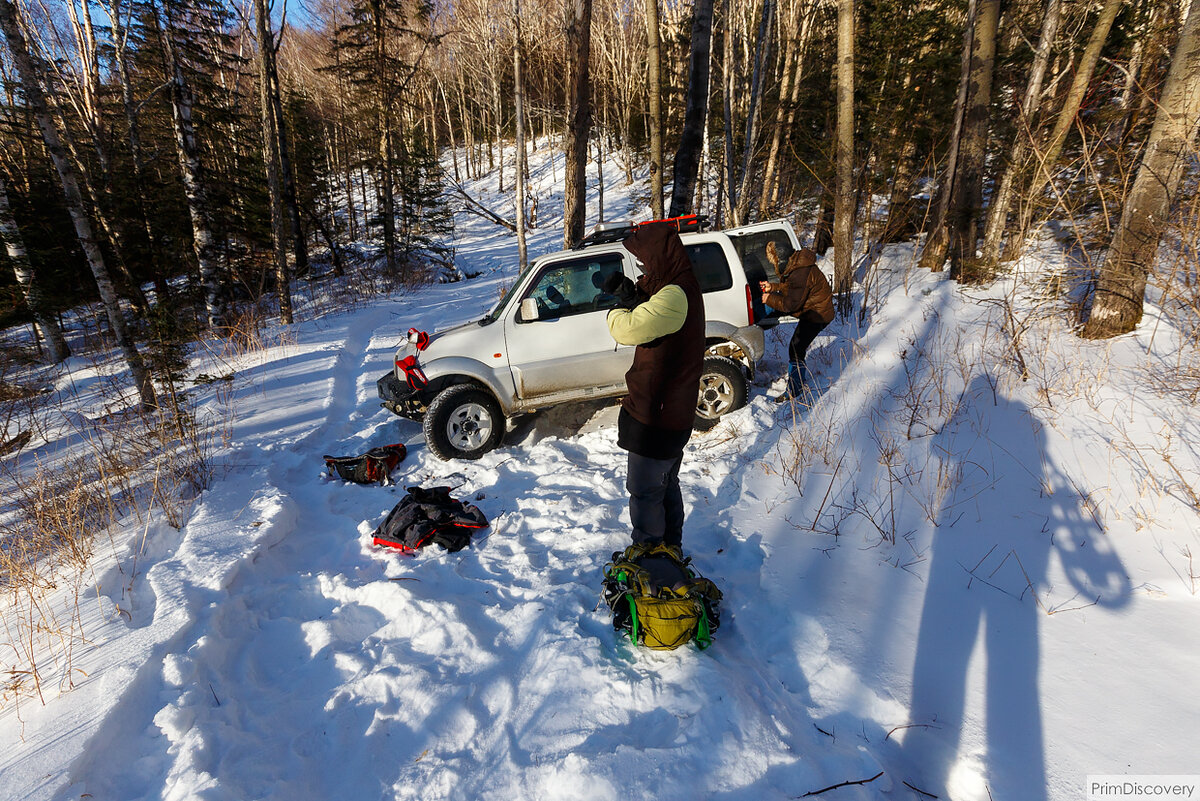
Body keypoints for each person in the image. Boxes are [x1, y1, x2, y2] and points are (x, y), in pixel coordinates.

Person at [604, 223, 705, 552]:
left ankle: (650, 552)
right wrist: (634, 296)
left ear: (662, 256)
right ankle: (670, 550)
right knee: (665, 485)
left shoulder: (676, 294)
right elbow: (654, 315)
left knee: (646, 489)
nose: (644, 268)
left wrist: (618, 308)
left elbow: (628, 330)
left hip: (658, 415)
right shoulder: (676, 286)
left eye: (646, 261)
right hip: (668, 412)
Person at [760, 247, 834, 402]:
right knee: (771, 309)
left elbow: (790, 305)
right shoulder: (797, 265)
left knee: (796, 347)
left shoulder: (800, 272)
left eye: (774, 262)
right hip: (810, 309)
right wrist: (772, 287)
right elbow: (791, 288)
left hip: (817, 314)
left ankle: (794, 391)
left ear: (780, 260)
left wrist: (770, 298)